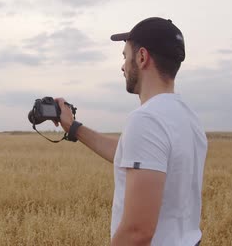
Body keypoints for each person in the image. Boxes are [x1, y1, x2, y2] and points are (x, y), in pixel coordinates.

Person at [54, 17, 207, 246]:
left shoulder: (146, 120)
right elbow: (138, 155)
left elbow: (138, 232)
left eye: (126, 56)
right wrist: (74, 127)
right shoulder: (186, 116)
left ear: (142, 57)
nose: (123, 66)